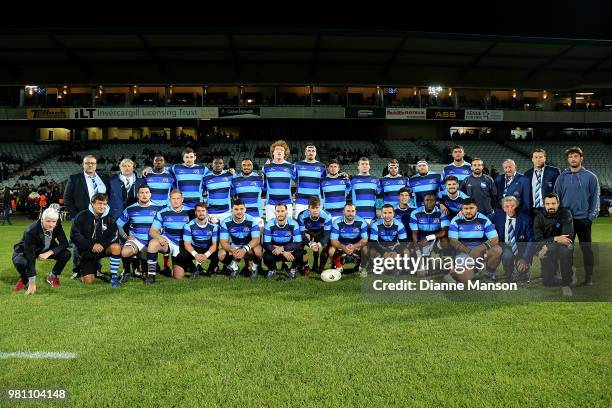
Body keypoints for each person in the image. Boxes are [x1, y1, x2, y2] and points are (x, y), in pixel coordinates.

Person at [554, 146, 599, 286]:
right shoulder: (562, 177)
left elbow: (595, 198)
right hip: (567, 221)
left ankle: (589, 277)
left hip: (584, 220)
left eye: (575, 156)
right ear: (568, 159)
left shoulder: (591, 177)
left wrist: (590, 217)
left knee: (586, 249)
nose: (573, 159)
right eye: (570, 157)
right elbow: (556, 197)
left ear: (581, 158)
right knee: (566, 250)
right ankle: (567, 278)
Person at [12, 207, 70, 294]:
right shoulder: (31, 230)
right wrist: (32, 283)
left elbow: (64, 243)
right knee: (21, 262)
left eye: (54, 222)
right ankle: (24, 279)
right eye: (48, 221)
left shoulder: (57, 224)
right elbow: (30, 256)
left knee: (66, 254)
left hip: (46, 249)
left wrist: (49, 253)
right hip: (26, 250)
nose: (51, 225)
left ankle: (53, 276)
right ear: (42, 219)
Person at [116, 186, 164, 285]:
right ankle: (126, 271)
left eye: (147, 192)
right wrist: (125, 236)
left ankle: (143, 265)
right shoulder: (130, 209)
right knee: (125, 252)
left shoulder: (158, 209)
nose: (144, 195)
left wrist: (160, 237)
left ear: (150, 195)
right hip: (136, 240)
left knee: (146, 271)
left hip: (151, 243)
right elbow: (118, 224)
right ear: (138, 195)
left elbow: (164, 226)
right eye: (141, 193)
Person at [70, 193, 121, 285]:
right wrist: (91, 245)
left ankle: (114, 277)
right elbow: (75, 235)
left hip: (103, 249)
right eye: (99, 203)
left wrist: (103, 245)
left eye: (104, 204)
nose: (102, 207)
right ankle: (87, 270)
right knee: (88, 281)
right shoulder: (81, 216)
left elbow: (115, 235)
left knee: (116, 247)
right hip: (87, 251)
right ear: (92, 203)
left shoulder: (109, 218)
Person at [447, 198, 501, 283]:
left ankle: (488, 276)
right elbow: (452, 241)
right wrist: (469, 251)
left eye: (471, 208)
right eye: (466, 208)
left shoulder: (484, 219)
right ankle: (456, 271)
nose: (468, 211)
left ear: (476, 208)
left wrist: (478, 250)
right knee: (465, 279)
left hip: (480, 251)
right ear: (462, 209)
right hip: (463, 252)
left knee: (497, 250)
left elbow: (494, 239)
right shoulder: (456, 220)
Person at [146, 189, 194, 281]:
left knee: (178, 276)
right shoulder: (162, 212)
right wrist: (159, 237)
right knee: (153, 244)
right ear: (169, 199)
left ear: (182, 199)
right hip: (168, 242)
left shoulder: (190, 212)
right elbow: (152, 231)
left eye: (178, 198)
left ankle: (185, 264)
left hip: (184, 244)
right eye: (173, 198)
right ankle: (151, 275)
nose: (176, 201)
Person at [533, 193, 575, 296]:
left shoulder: (565, 213)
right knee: (547, 282)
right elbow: (538, 240)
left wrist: (547, 245)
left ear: (558, 203)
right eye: (547, 204)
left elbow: (567, 238)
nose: (550, 206)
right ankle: (558, 275)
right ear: (544, 205)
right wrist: (555, 239)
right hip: (547, 246)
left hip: (559, 246)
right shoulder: (539, 217)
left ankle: (566, 284)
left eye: (553, 203)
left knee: (567, 249)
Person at [493, 196, 535, 283]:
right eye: (507, 207)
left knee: (522, 269)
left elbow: (531, 240)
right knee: (507, 256)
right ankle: (508, 275)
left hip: (521, 247)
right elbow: (484, 218)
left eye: (512, 206)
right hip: (506, 246)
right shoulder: (498, 216)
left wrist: (525, 258)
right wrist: (462, 214)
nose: (510, 209)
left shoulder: (525, 219)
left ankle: (522, 272)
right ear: (503, 208)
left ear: (517, 206)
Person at [218, 199, 263, 279]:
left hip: (248, 248)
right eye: (236, 209)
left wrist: (244, 250)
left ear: (245, 209)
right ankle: (235, 268)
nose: (239, 212)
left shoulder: (252, 220)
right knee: (221, 254)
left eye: (241, 209)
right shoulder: (225, 222)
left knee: (258, 250)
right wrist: (232, 250)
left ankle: (253, 269)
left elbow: (256, 239)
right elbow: (223, 242)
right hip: (234, 247)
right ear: (232, 210)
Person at [263, 203, 303, 280]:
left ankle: (293, 269)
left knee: (299, 254)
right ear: (275, 212)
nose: (280, 213)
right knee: (266, 256)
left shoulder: (294, 224)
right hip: (276, 251)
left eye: (282, 211)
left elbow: (298, 243)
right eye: (278, 211)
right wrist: (282, 251)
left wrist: (283, 249)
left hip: (289, 251)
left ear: (286, 212)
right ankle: (272, 269)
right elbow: (266, 244)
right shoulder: (269, 225)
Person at [64, 155, 110, 220]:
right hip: (82, 217)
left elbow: (109, 195)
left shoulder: (105, 178)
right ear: (83, 165)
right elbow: (67, 198)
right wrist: (75, 215)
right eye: (87, 163)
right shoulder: (74, 179)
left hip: (103, 216)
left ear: (96, 165)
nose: (90, 165)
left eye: (93, 163)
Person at [297, 196, 333, 277]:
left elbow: (327, 234)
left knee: (328, 243)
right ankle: (305, 266)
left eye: (317, 207)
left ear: (320, 206)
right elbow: (301, 234)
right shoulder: (302, 215)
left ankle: (321, 267)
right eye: (313, 208)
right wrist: (310, 244)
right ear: (308, 207)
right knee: (299, 241)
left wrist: (319, 244)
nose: (315, 210)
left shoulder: (327, 216)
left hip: (321, 232)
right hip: (308, 232)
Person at [367, 204, 408, 274]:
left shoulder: (399, 225)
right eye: (385, 213)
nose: (387, 215)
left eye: (390, 213)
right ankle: (374, 265)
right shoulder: (375, 225)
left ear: (393, 214)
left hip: (394, 246)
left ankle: (400, 267)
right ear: (382, 214)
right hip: (381, 246)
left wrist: (396, 251)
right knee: (370, 250)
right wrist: (384, 253)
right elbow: (373, 242)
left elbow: (404, 242)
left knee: (406, 251)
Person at [329, 203, 369, 274]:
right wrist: (343, 247)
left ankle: (359, 265)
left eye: (352, 211)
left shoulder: (362, 222)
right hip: (342, 246)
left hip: (356, 246)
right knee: (331, 250)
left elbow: (364, 240)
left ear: (355, 212)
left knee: (366, 248)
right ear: (343, 212)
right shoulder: (337, 222)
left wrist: (354, 246)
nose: (350, 213)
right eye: (348, 211)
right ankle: (338, 267)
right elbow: (333, 240)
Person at [183, 203, 219, 278]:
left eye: (203, 211)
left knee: (217, 252)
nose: (201, 213)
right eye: (198, 211)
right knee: (183, 252)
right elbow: (187, 244)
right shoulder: (188, 225)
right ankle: (194, 269)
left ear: (206, 212)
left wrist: (206, 255)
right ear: (195, 212)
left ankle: (211, 269)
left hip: (207, 247)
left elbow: (215, 245)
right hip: (195, 247)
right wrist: (196, 255)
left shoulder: (214, 226)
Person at [262, 140, 296, 220]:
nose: (279, 151)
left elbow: (299, 182)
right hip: (271, 203)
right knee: (271, 229)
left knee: (287, 229)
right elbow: (263, 186)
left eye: (282, 150)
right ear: (273, 152)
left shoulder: (291, 167)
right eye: (277, 149)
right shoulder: (266, 167)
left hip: (287, 203)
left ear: (285, 153)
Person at [409, 193, 450, 258]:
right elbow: (414, 233)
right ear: (423, 202)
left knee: (445, 241)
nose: (429, 202)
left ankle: (446, 264)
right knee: (419, 257)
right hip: (421, 237)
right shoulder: (415, 213)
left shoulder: (441, 212)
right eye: (427, 200)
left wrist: (428, 238)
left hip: (436, 236)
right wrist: (417, 250)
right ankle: (428, 256)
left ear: (436, 202)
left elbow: (445, 231)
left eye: (432, 200)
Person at [294, 143, 326, 217]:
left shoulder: (322, 166)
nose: (310, 152)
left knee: (316, 225)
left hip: (316, 201)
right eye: (308, 150)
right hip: (301, 200)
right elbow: (293, 178)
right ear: (305, 152)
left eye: (313, 151)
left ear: (315, 153)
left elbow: (325, 182)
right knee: (300, 223)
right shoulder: (297, 165)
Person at [524, 149, 560, 214]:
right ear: (532, 159)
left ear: (545, 158)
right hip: (532, 210)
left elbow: (559, 191)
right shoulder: (527, 174)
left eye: (541, 157)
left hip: (548, 209)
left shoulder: (554, 171)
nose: (538, 159)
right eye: (536, 157)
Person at [231, 158, 264, 226]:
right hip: (241, 215)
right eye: (244, 165)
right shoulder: (235, 179)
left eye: (249, 165)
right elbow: (232, 195)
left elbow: (266, 189)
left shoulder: (259, 178)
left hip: (256, 214)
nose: (246, 167)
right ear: (241, 166)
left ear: (252, 166)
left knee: (257, 236)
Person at [350, 157, 381, 224]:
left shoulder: (376, 180)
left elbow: (379, 197)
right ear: (358, 166)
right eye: (362, 164)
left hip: (372, 216)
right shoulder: (353, 180)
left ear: (369, 166)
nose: (364, 166)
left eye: (366, 164)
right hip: (357, 216)